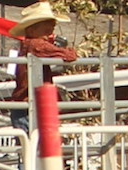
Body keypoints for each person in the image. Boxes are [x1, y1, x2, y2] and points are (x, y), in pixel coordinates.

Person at [9, 2, 78, 134]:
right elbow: (69, 56)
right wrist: (67, 50)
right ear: (32, 30)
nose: (52, 26)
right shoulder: (36, 44)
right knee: (38, 146)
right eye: (46, 23)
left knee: (31, 148)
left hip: (27, 105)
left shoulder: (31, 44)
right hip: (29, 106)